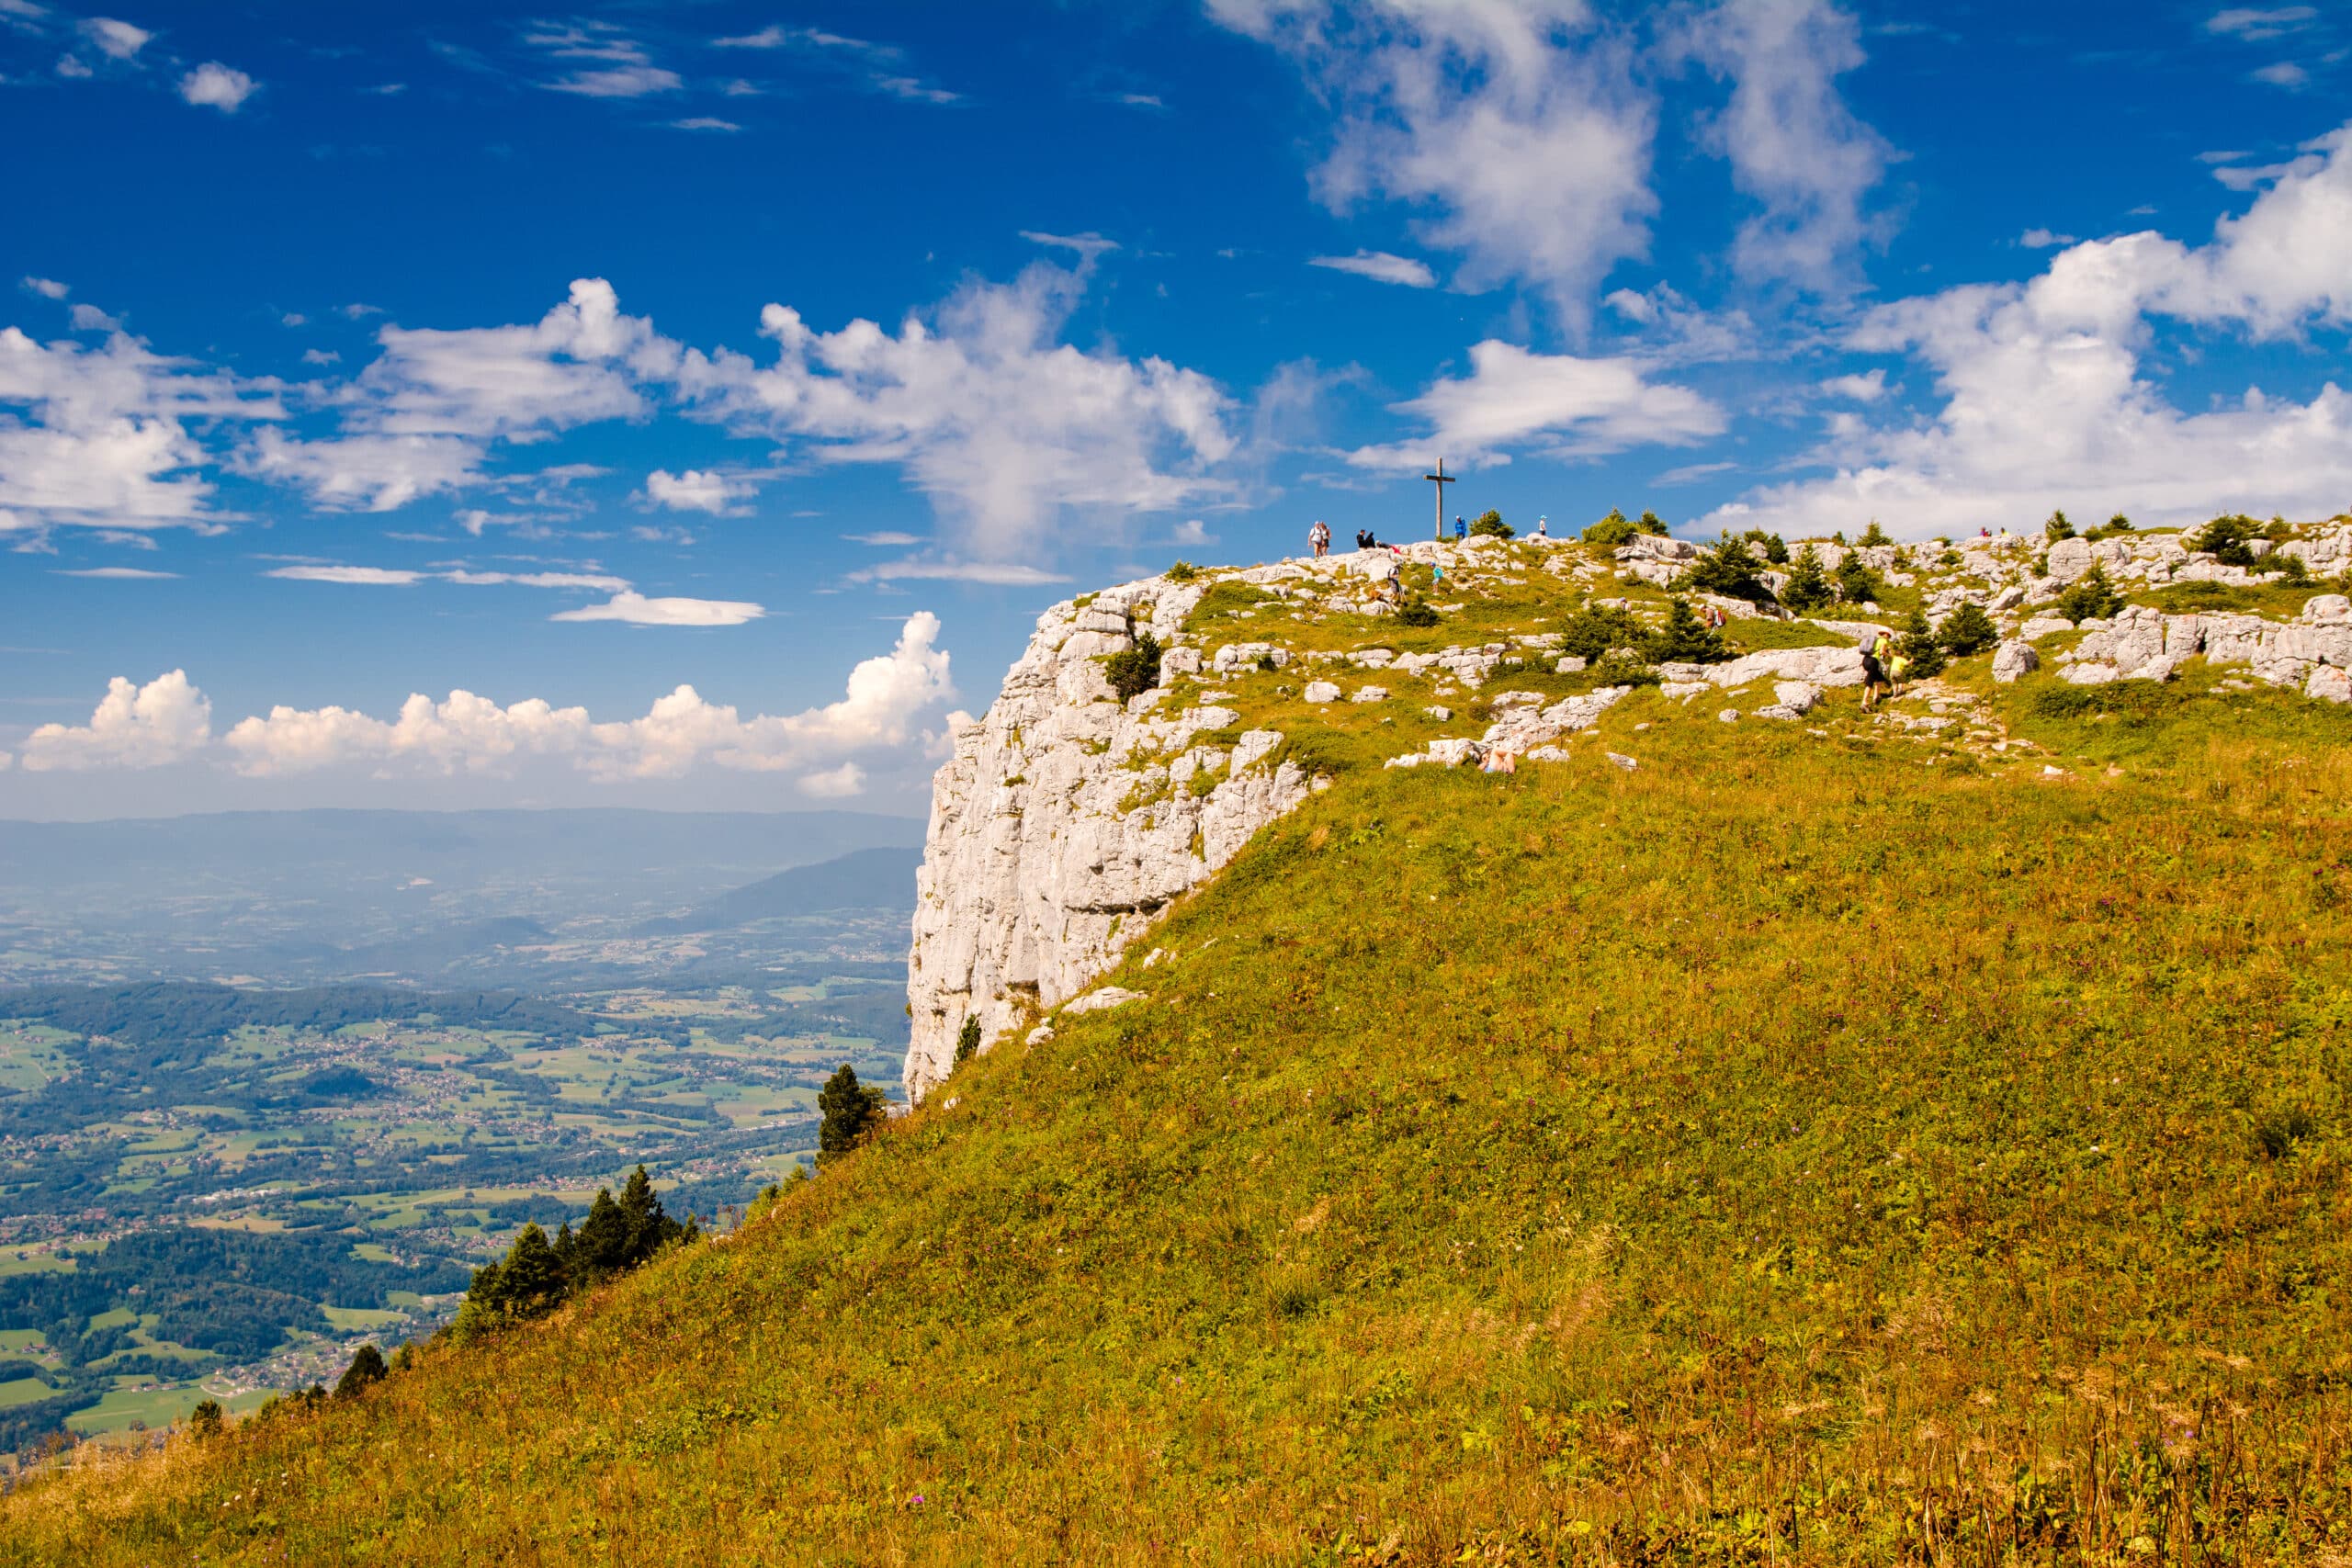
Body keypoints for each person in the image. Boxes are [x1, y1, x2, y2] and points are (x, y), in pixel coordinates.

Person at [1861, 631, 1892, 712]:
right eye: (1888, 636)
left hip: (1866, 660)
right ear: (1885, 635)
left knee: (1880, 678)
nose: (1889, 637)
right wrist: (1890, 655)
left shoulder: (1875, 640)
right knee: (1870, 682)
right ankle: (1864, 702)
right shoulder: (1884, 641)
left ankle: (1876, 697)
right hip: (1873, 661)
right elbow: (1882, 652)